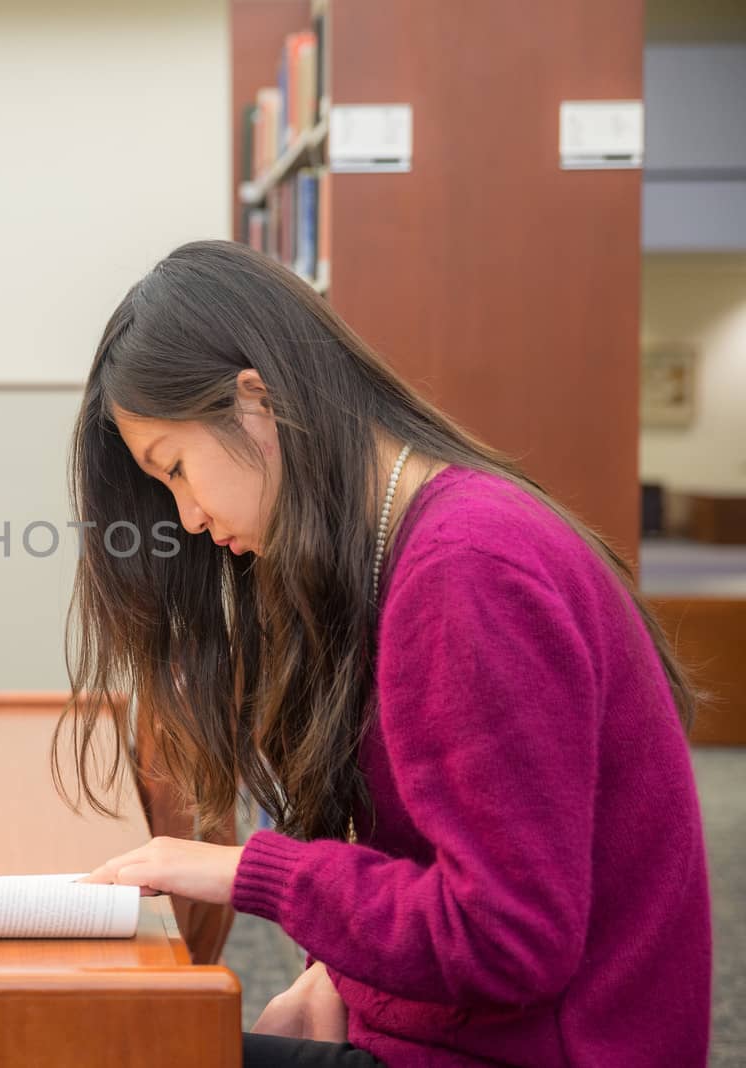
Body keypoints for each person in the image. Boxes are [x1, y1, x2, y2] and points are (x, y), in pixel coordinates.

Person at [63, 240, 711, 1066]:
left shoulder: (465, 569)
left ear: (256, 403)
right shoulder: (410, 545)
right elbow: (435, 856)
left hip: (542, 1050)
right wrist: (338, 972)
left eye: (177, 469)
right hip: (459, 1030)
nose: (188, 516)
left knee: (75, 1044)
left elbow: (506, 937)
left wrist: (250, 875)